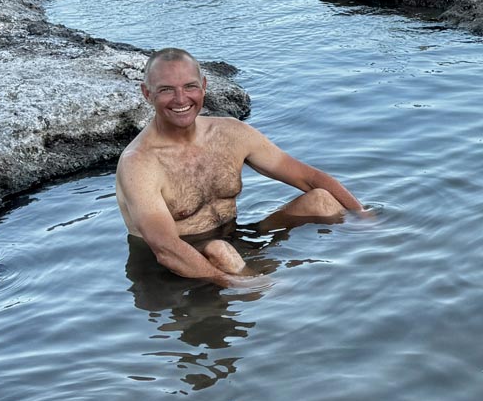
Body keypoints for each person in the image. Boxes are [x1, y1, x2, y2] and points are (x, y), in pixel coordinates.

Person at [115, 47, 363, 287]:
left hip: (237, 239)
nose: (181, 99)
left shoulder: (230, 133)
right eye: (167, 90)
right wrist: (244, 285)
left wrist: (369, 222)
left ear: (203, 86)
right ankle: (276, 301)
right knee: (220, 251)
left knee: (322, 199)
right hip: (173, 270)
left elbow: (310, 178)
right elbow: (165, 249)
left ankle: (353, 274)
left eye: (189, 86)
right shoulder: (139, 163)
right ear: (147, 94)